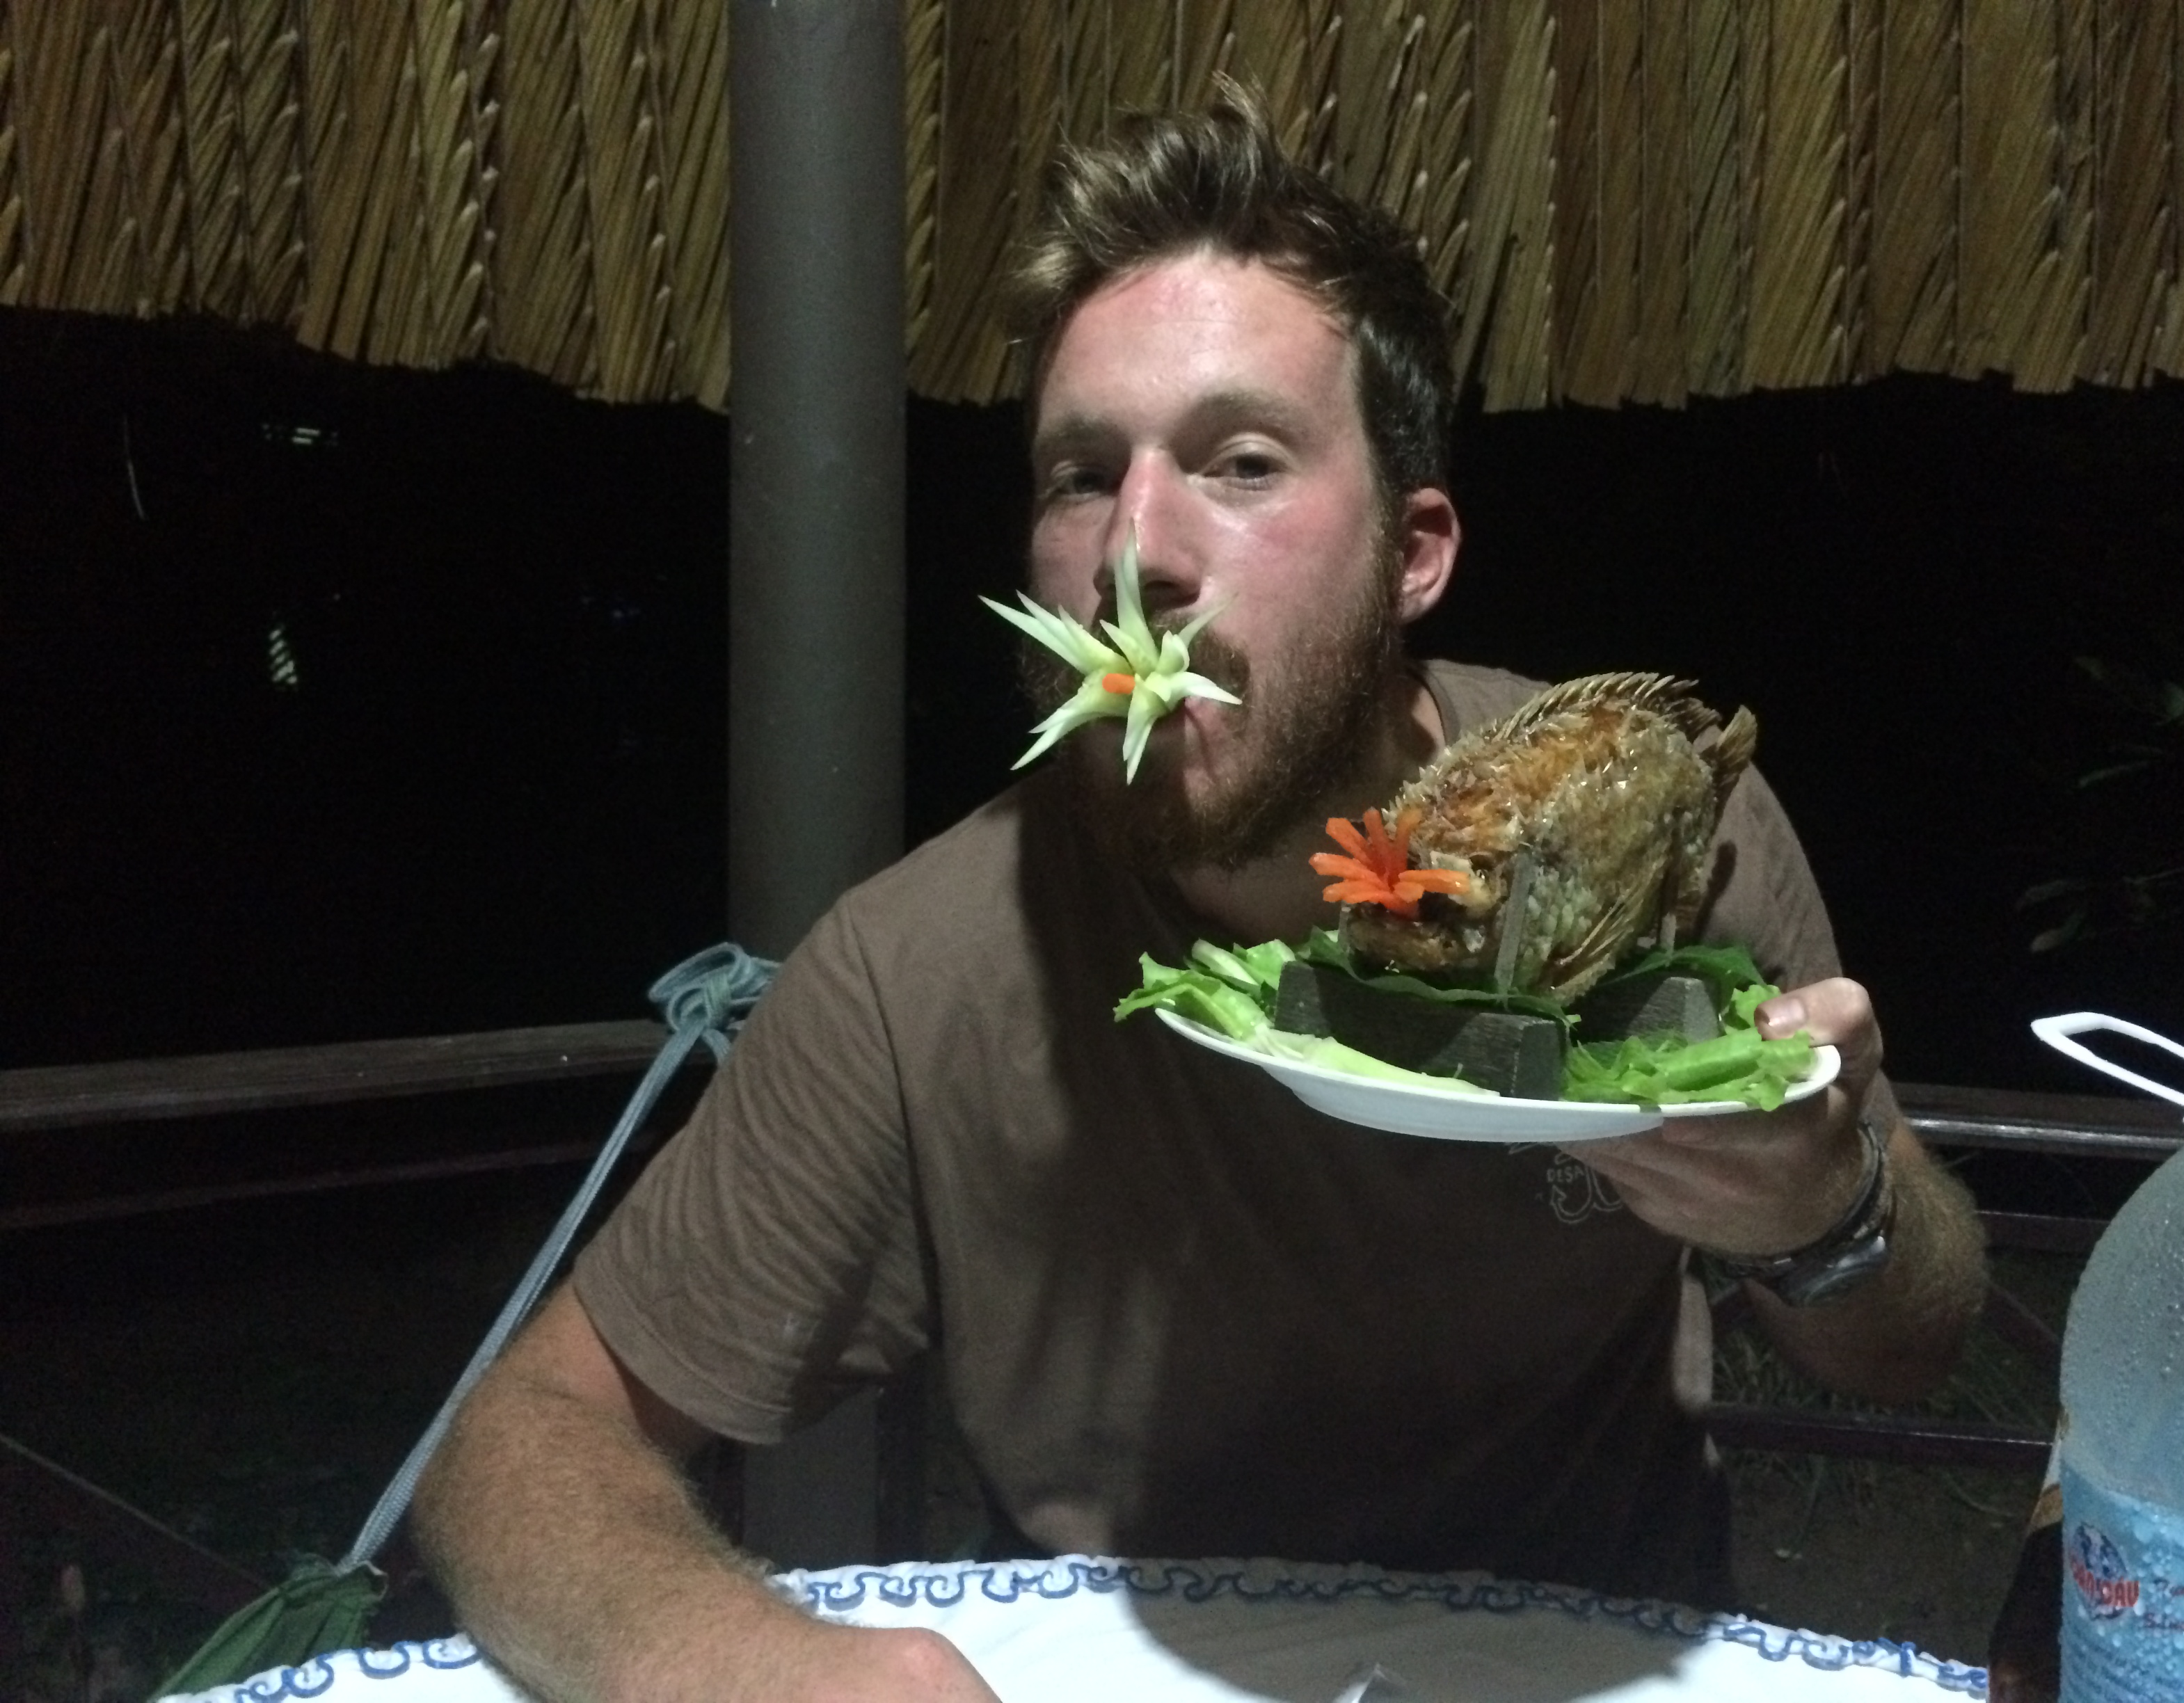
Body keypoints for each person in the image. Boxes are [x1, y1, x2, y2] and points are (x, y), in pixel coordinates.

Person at [413, 82, 1988, 1703]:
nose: (1136, 550)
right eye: (1079, 476)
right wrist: (738, 1662)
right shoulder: (924, 967)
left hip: (1598, 1663)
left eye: (1241, 462)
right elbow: (520, 1437)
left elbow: (1919, 1336)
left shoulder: (1640, 825)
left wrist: (1829, 1219)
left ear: (1415, 551)